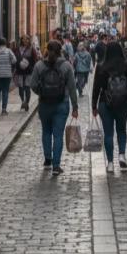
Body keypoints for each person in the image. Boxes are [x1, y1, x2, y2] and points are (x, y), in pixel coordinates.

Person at [31, 40, 78, 176]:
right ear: (60, 51)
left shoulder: (39, 65)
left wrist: (42, 93)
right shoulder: (66, 66)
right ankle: (56, 166)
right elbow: (72, 88)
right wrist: (75, 106)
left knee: (46, 132)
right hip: (61, 104)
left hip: (44, 104)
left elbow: (33, 84)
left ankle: (48, 159)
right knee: (58, 135)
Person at [91, 42, 127, 173]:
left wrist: (94, 105)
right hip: (123, 103)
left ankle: (110, 163)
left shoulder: (101, 67)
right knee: (121, 130)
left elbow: (96, 88)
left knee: (108, 133)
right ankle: (122, 155)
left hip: (105, 103)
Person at [14, 35, 39, 110]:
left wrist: (31, 66)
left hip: (29, 72)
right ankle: (23, 101)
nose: (25, 41)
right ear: (21, 40)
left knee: (27, 87)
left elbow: (35, 60)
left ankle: (27, 103)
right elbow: (15, 59)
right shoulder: (17, 49)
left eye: (27, 39)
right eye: (23, 39)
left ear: (29, 41)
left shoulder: (32, 49)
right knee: (21, 88)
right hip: (19, 71)